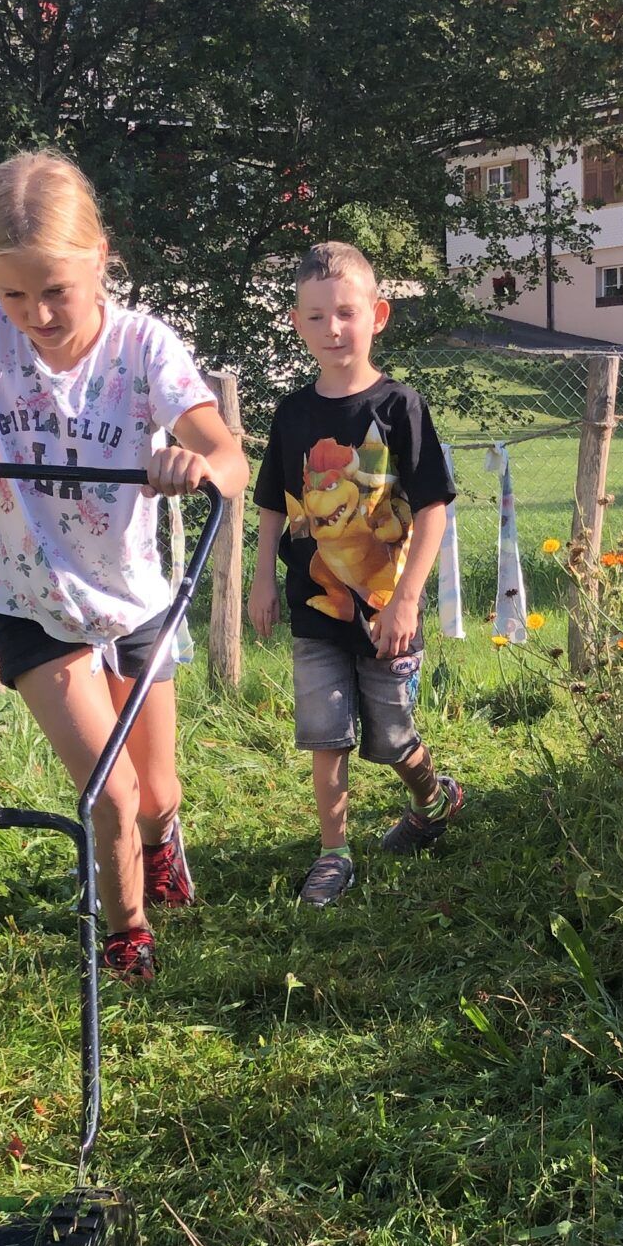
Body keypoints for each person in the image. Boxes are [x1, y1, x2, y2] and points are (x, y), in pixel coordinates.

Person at [0, 150, 247, 983]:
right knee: (110, 793)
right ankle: (126, 937)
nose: (36, 313)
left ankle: (163, 849)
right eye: (13, 293)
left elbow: (230, 458)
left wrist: (191, 466)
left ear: (99, 261)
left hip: (134, 598)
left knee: (155, 798)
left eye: (56, 290)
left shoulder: (143, 347)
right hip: (31, 599)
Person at [250, 240, 462, 906]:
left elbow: (432, 511)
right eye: (315, 317)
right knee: (326, 731)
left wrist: (406, 601)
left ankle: (435, 798)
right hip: (315, 605)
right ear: (295, 322)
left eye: (345, 312)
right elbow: (267, 506)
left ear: (378, 315)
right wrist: (260, 580)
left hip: (386, 609)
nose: (332, 329)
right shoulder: (291, 415)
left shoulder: (400, 408)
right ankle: (334, 853)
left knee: (392, 734)